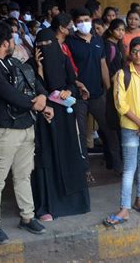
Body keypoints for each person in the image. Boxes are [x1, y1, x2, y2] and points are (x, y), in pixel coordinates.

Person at [0, 22, 53, 244]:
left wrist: (42, 98)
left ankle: (27, 217)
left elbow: (32, 81)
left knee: (23, 175)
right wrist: (36, 104)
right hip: (4, 131)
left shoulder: (10, 61)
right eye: (12, 40)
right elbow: (9, 94)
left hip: (24, 127)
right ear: (4, 43)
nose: (15, 43)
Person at [31, 26, 90, 221]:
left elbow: (72, 83)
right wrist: (38, 69)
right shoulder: (30, 65)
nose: (45, 48)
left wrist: (68, 91)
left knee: (68, 156)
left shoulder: (64, 60)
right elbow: (35, 90)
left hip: (65, 116)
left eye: (48, 44)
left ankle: (73, 203)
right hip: (44, 119)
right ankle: (46, 206)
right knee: (46, 159)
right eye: (40, 45)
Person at [104, 37, 140, 226]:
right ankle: (124, 208)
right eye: (135, 51)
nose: (138, 55)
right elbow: (121, 104)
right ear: (130, 53)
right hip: (131, 128)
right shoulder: (122, 74)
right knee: (129, 168)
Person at [67, 8, 123, 175]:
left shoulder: (98, 41)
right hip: (78, 97)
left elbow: (103, 66)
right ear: (75, 23)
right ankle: (84, 171)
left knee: (110, 130)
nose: (84, 23)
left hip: (98, 95)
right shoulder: (70, 42)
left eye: (87, 19)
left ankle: (118, 166)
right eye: (80, 20)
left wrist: (108, 91)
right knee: (81, 134)